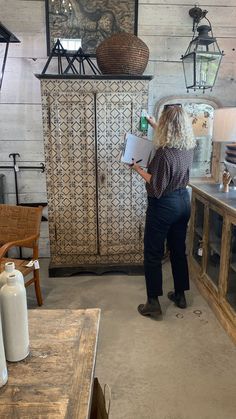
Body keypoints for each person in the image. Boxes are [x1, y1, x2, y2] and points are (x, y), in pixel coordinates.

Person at [130, 104, 195, 317]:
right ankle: (180, 295)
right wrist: (152, 123)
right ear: (182, 126)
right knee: (178, 250)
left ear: (166, 125)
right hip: (183, 202)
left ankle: (153, 303)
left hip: (164, 205)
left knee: (152, 253)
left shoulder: (163, 154)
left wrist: (138, 169)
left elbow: (156, 186)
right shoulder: (188, 148)